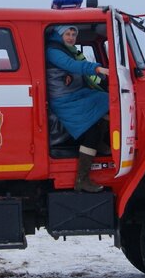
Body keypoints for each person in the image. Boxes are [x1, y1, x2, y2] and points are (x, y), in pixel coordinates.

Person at [45, 25, 111, 192]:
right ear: (60, 35)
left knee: (109, 100)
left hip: (75, 95)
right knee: (92, 131)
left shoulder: (67, 49)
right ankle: (82, 179)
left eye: (74, 34)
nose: (71, 37)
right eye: (68, 33)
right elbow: (71, 65)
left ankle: (102, 144)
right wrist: (98, 68)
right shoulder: (53, 50)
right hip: (65, 100)